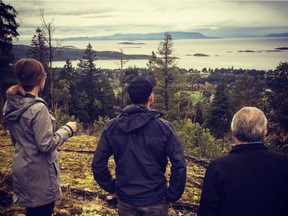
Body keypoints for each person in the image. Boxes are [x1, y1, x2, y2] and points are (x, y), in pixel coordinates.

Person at [92, 75, 186, 216]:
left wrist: (114, 187)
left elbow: (98, 164)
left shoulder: (111, 127)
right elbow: (179, 164)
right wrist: (172, 194)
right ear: (150, 97)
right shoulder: (164, 128)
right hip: (156, 200)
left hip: (126, 200)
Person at [3, 58, 77, 216]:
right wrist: (68, 129)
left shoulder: (11, 103)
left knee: (33, 211)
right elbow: (46, 145)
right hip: (40, 174)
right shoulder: (38, 108)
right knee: (43, 211)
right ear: (40, 79)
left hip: (22, 167)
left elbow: (16, 139)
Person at [198, 106, 288, 216]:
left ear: (234, 134)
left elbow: (207, 211)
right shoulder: (284, 163)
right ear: (264, 134)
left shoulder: (218, 167)